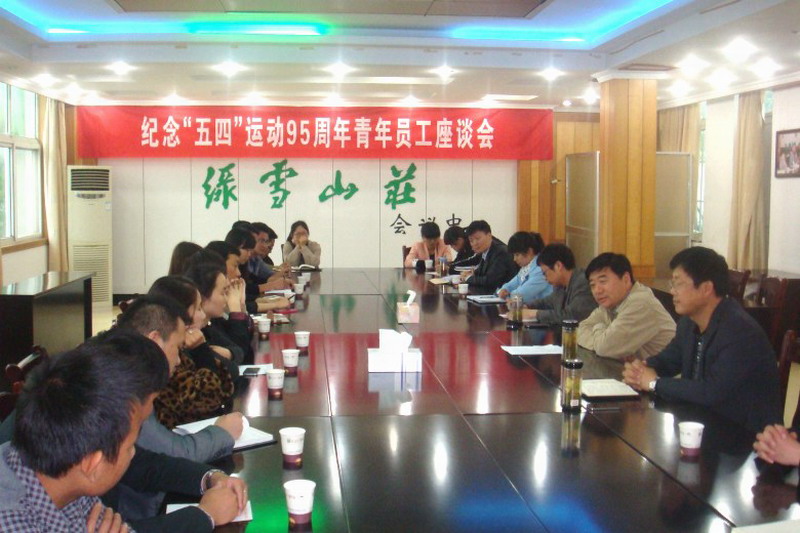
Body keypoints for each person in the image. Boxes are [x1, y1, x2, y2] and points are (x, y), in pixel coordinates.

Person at [0, 337, 247, 533]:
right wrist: (205, 515)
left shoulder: (62, 466)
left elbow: (143, 465)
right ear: (93, 463)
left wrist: (210, 477)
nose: (133, 453)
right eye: (130, 447)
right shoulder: (13, 520)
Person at [622, 247, 781, 433]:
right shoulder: (689, 322)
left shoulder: (739, 330)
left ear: (706, 288)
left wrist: (655, 383)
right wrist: (641, 369)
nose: (672, 291)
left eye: (678, 284)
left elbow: (712, 391)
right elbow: (669, 360)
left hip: (745, 435)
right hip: (702, 422)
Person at [148, 276, 235, 428]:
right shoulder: (164, 356)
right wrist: (201, 350)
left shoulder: (186, 345)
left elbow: (232, 372)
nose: (203, 315)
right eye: (198, 308)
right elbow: (209, 400)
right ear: (182, 314)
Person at [577, 252, 676, 360]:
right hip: (637, 368)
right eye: (592, 285)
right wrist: (602, 339)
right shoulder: (610, 303)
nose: (597, 290)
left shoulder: (640, 303)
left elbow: (605, 348)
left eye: (603, 281)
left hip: (665, 370)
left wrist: (599, 327)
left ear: (626, 279)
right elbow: (579, 330)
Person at [522, 243, 597, 325]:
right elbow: (548, 302)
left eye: (545, 273)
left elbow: (572, 316)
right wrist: (527, 306)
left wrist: (535, 314)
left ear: (558, 266)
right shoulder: (560, 285)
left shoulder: (583, 282)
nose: (544, 278)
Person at [461, 220, 518, 291]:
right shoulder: (485, 251)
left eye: (478, 238)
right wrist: (472, 273)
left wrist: (468, 278)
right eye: (471, 240)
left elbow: (491, 280)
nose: (474, 243)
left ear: (489, 236)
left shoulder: (501, 252)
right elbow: (482, 273)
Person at [496, 231, 552, 304]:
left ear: (529, 251)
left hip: (544, 309)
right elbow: (513, 283)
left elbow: (523, 295)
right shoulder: (526, 267)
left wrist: (507, 295)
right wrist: (504, 289)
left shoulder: (540, 269)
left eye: (517, 255)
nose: (514, 259)